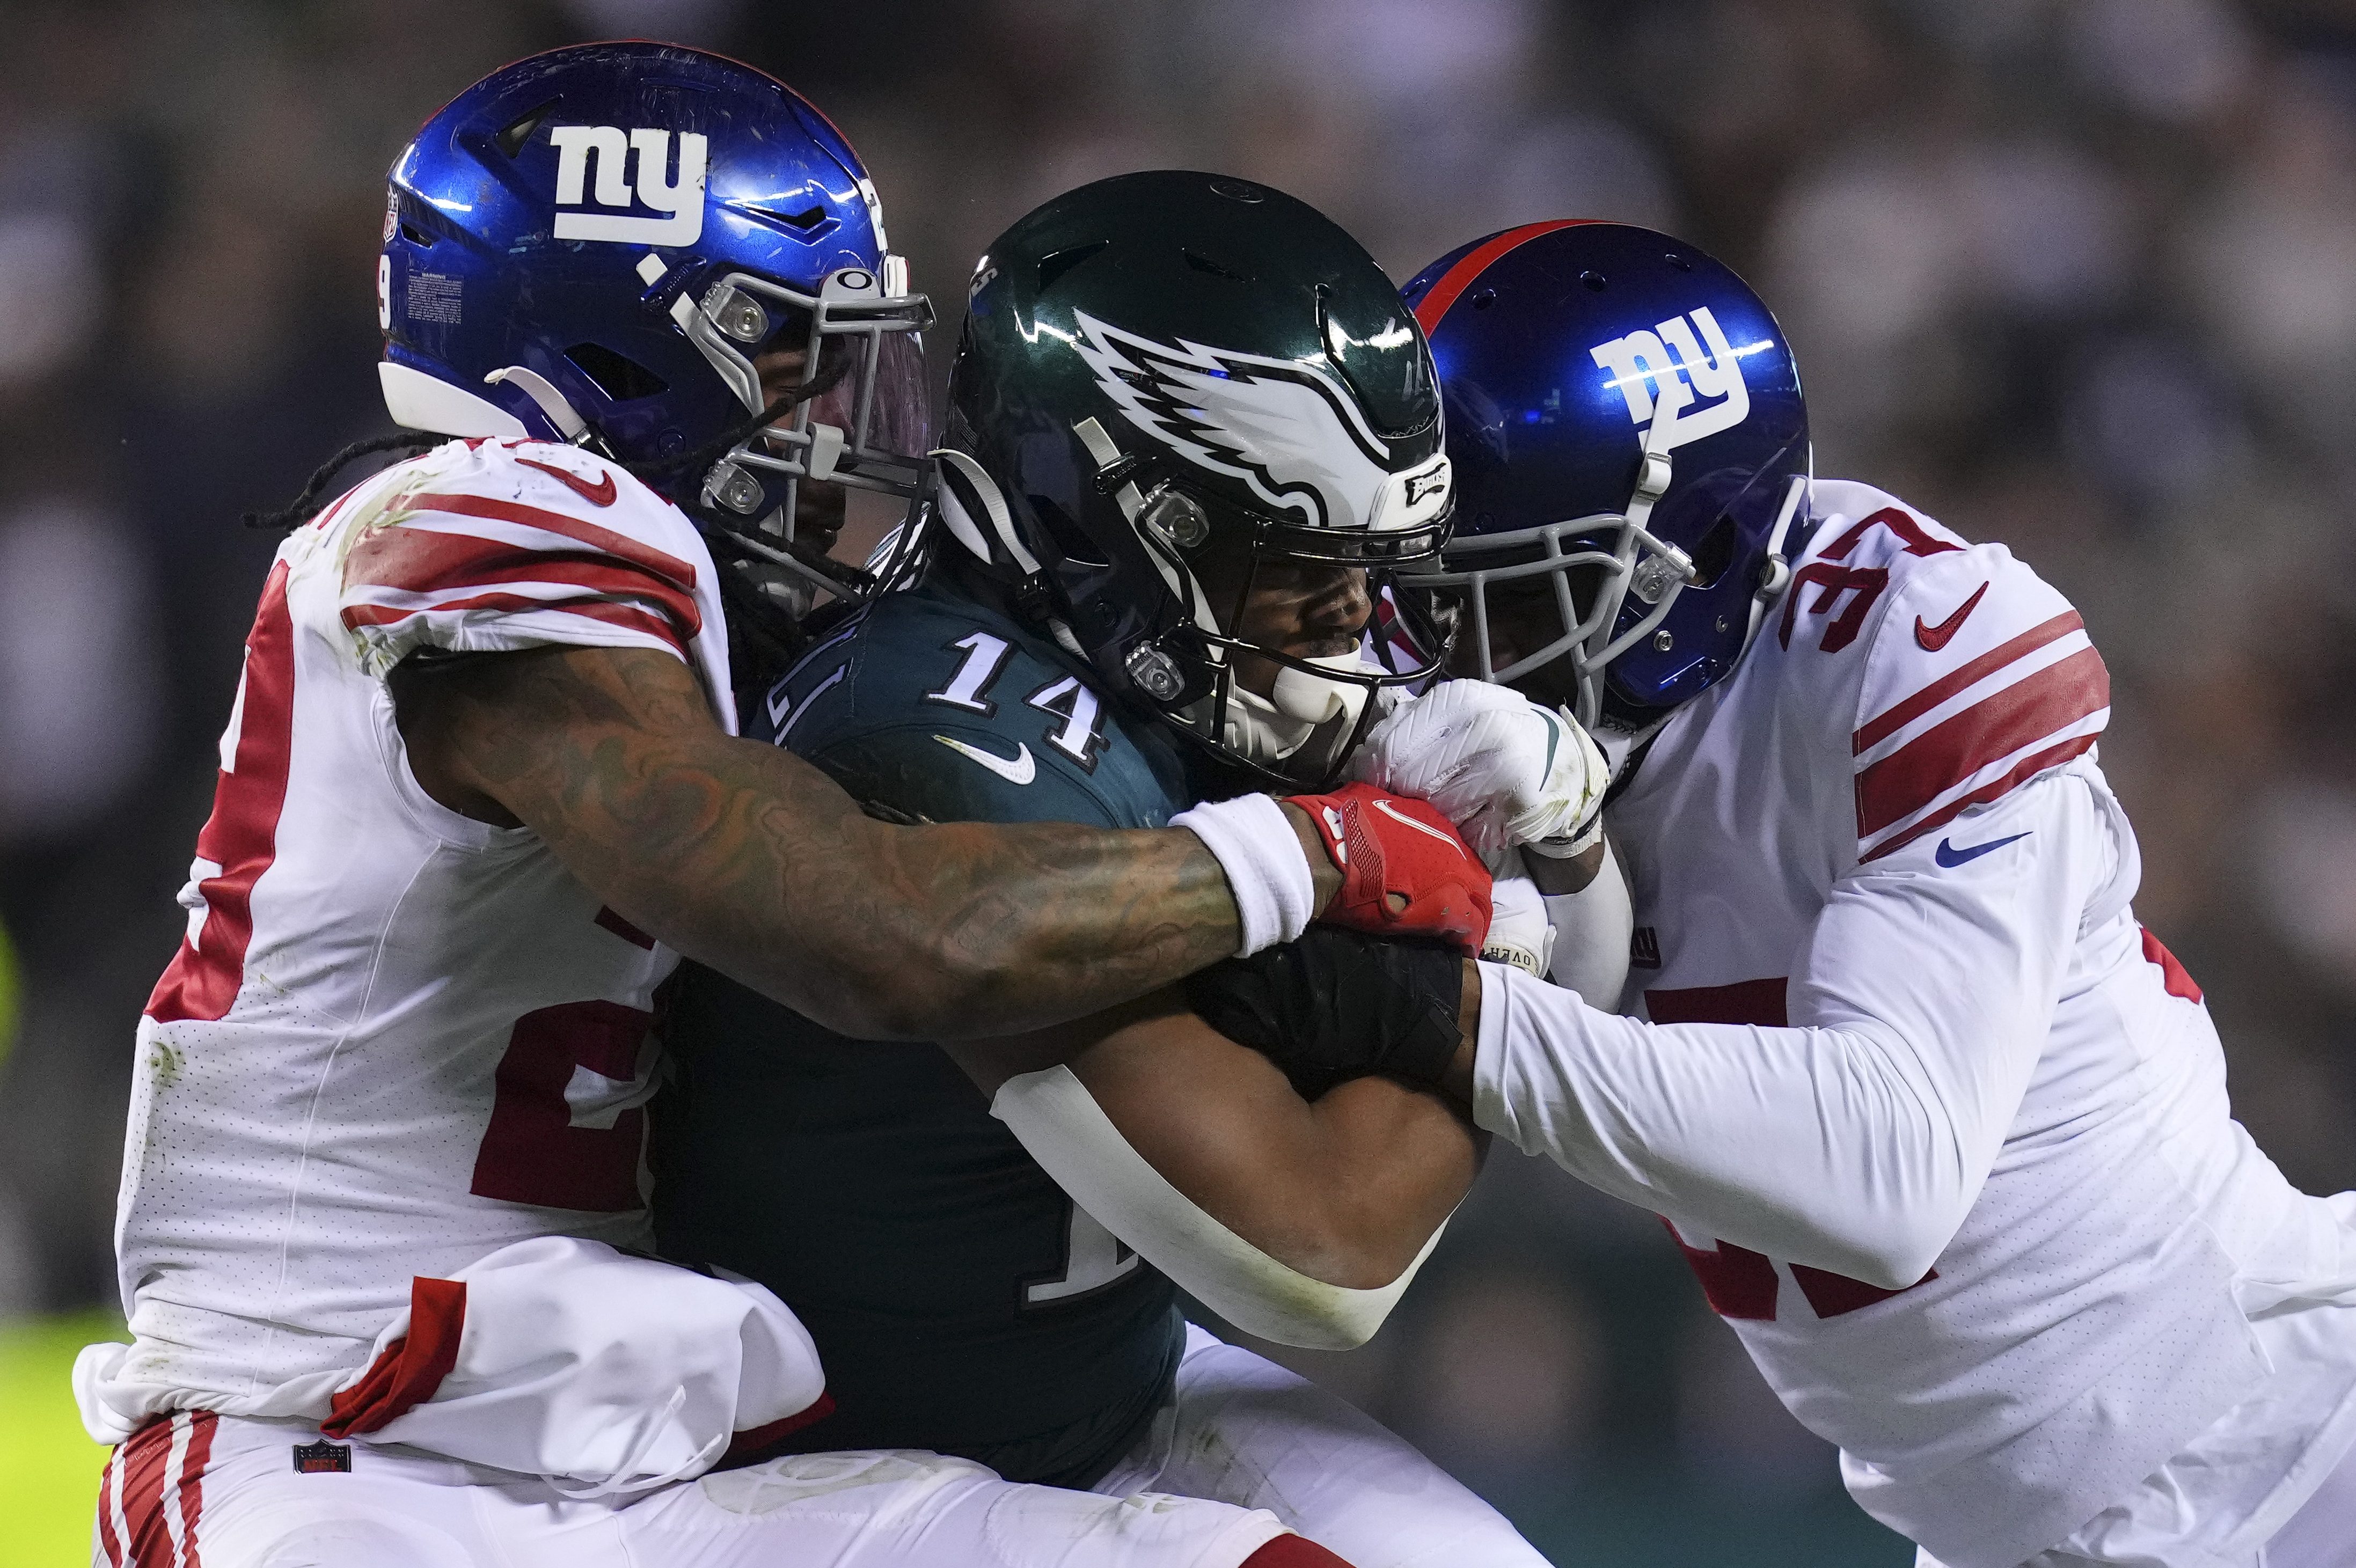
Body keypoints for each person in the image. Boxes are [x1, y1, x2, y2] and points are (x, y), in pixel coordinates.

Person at [77, 45, 1548, 1568]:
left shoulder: (694, 612)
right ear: (626, 351)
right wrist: (1318, 855)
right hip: (333, 1451)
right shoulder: (485, 517)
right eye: (795, 364)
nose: (842, 429)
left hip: (642, 1459)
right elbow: (882, 939)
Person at [1204, 218, 2356, 1568]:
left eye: (1506, 603)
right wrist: (1559, 865)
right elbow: (1570, 998)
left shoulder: (1906, 644)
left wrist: (1455, 1020)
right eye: (1420, 593)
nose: (1444, 654)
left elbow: (1888, 1172)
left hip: (2286, 1444)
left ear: (1682, 554)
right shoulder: (1483, 707)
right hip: (2007, 1534)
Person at [655, 171, 1570, 1568]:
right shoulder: (937, 745)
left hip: (1100, 1391)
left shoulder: (1176, 654)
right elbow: (1316, 1254)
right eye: (1294, 565)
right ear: (1100, 513)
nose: (1348, 626)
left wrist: (1555, 839)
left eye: (1363, 570)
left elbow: (1587, 1000)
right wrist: (1495, 956)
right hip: (823, 1467)